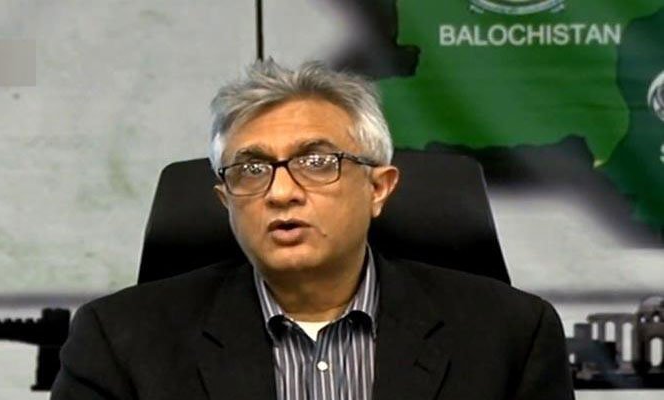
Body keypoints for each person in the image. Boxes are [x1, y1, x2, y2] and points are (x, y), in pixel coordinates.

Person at [51, 59, 574, 399]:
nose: (281, 192)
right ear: (225, 200)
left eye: (317, 162)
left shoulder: (511, 336)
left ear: (379, 187)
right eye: (251, 169)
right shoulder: (119, 342)